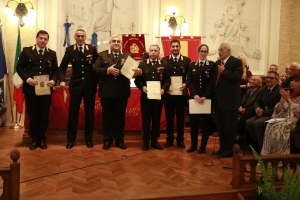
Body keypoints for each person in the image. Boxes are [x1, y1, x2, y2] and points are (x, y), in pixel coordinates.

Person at [93, 35, 142, 150]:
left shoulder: (127, 56)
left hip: (122, 92)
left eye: (118, 41)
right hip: (107, 92)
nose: (116, 43)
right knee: (107, 117)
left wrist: (138, 72)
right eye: (113, 41)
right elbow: (94, 70)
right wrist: (107, 70)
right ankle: (107, 140)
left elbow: (133, 72)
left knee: (120, 117)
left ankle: (119, 140)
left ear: (121, 44)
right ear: (109, 43)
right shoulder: (102, 55)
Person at [16, 30, 58, 150]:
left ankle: (42, 139)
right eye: (41, 38)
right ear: (36, 38)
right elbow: (19, 68)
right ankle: (34, 140)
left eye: (45, 39)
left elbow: (56, 71)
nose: (43, 41)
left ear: (47, 41)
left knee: (44, 115)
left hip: (46, 90)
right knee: (33, 115)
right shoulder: (26, 51)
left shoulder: (52, 54)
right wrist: (27, 79)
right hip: (31, 89)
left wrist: (54, 81)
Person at [58, 29, 98, 149]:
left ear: (85, 37)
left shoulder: (92, 49)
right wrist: (62, 80)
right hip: (75, 85)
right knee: (73, 114)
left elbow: (98, 64)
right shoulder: (70, 50)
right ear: (74, 37)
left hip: (89, 85)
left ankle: (89, 140)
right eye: (78, 36)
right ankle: (71, 140)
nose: (80, 38)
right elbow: (62, 67)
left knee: (90, 114)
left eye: (82, 36)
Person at [202, 43, 243, 158]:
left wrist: (224, 71)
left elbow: (237, 77)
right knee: (220, 126)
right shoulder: (218, 63)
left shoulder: (236, 62)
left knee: (229, 127)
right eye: (219, 50)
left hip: (230, 102)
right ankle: (222, 148)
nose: (219, 52)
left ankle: (229, 150)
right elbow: (214, 82)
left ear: (228, 51)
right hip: (219, 101)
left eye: (221, 50)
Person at [134, 44, 170, 150]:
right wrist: (142, 87)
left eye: (155, 50)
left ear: (159, 53)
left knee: (156, 120)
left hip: (159, 97)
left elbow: (167, 80)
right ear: (148, 52)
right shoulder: (142, 65)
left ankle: (155, 141)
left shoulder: (165, 65)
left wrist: (164, 88)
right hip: (146, 97)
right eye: (151, 50)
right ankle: (146, 142)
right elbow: (137, 80)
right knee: (146, 120)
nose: (153, 52)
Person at [161, 39, 191, 149]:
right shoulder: (164, 60)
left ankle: (180, 140)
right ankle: (169, 139)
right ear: (170, 48)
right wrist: (165, 88)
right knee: (169, 118)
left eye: (176, 46)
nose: (175, 48)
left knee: (180, 118)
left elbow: (190, 77)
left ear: (180, 47)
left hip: (181, 94)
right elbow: (162, 78)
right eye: (173, 46)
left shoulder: (187, 61)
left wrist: (186, 84)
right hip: (168, 95)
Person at [185, 44, 215, 154]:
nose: (203, 53)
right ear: (198, 52)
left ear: (207, 53)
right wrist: (195, 95)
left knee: (206, 124)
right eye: (201, 51)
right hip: (195, 99)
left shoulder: (212, 65)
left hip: (206, 99)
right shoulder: (192, 65)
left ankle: (203, 146)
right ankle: (193, 145)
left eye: (205, 51)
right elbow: (189, 81)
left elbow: (212, 82)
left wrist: (205, 95)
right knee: (194, 123)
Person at [261, 76, 300, 155]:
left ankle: (280, 156)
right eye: (292, 80)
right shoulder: (289, 94)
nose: (292, 82)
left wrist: (288, 99)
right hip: (284, 118)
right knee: (270, 124)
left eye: (296, 81)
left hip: (295, 120)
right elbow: (278, 112)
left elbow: (298, 113)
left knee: (280, 127)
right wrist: (282, 102)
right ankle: (268, 155)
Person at [245, 71, 281, 152]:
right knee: (248, 122)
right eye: (267, 77)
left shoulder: (279, 90)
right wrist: (257, 108)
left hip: (273, 115)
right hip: (261, 113)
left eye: (271, 78)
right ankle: (257, 142)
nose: (268, 79)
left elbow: (276, 107)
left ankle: (262, 146)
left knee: (257, 123)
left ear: (277, 80)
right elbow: (257, 101)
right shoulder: (264, 88)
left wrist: (263, 113)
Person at [236, 76, 262, 145]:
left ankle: (243, 140)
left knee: (240, 120)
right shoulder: (249, 90)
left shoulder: (260, 91)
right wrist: (240, 107)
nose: (252, 81)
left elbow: (255, 104)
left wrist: (245, 110)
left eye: (254, 80)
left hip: (252, 112)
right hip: (244, 111)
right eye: (251, 79)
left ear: (260, 83)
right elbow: (243, 102)